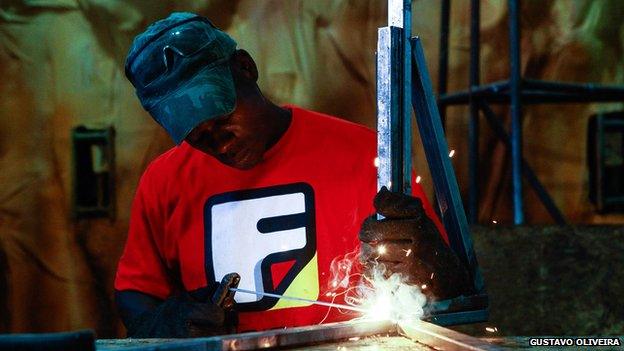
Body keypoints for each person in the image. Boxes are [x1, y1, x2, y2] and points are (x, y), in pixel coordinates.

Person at [115, 12, 471, 338]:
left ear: (245, 67)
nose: (220, 144)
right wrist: (160, 321)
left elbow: (447, 288)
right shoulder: (164, 181)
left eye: (222, 118)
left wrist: (430, 262)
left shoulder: (364, 154)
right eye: (198, 135)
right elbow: (135, 291)